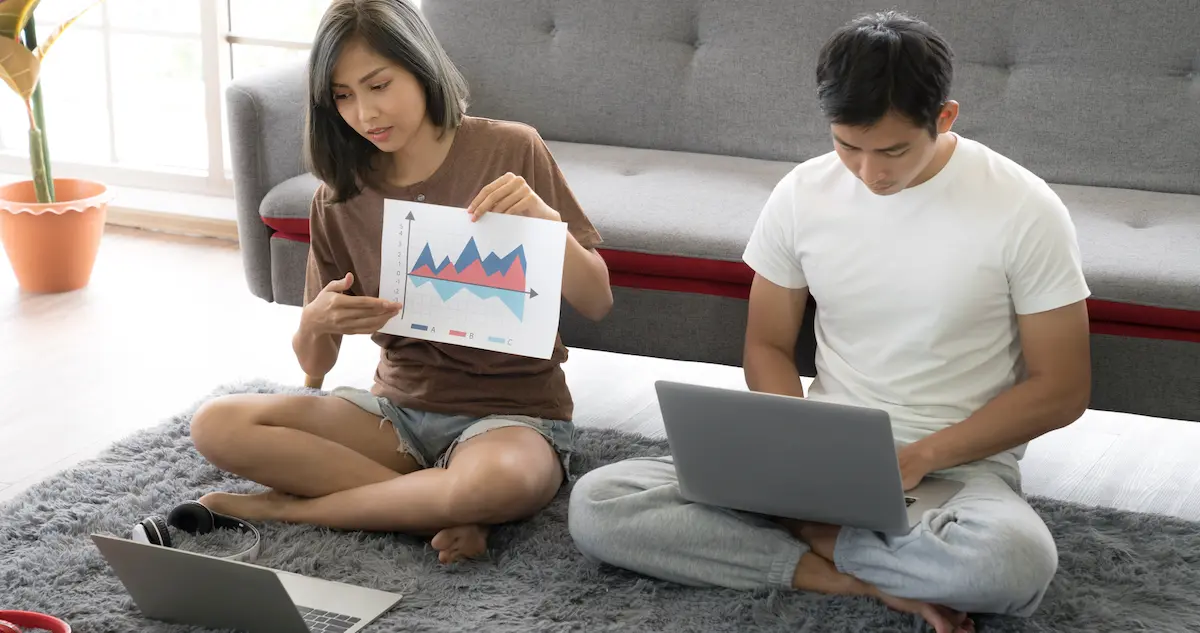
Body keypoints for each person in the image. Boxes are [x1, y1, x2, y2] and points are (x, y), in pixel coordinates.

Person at [568, 11, 1091, 633]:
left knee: (1008, 565)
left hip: (958, 468)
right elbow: (767, 344)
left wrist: (922, 455)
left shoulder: (1024, 208)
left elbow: (1062, 388)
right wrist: (794, 450)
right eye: (848, 146)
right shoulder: (801, 193)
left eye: (893, 150)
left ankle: (807, 538)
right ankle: (850, 573)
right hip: (822, 455)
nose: (871, 173)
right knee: (597, 504)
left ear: (945, 117)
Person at [189, 0, 612, 565]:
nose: (365, 113)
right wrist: (315, 321)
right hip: (395, 415)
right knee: (217, 424)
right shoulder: (338, 197)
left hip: (513, 416)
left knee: (500, 482)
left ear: (421, 66)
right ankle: (436, 507)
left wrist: (546, 223)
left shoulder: (512, 149)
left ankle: (290, 510)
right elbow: (315, 365)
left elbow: (597, 300)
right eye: (343, 95)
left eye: (379, 85)